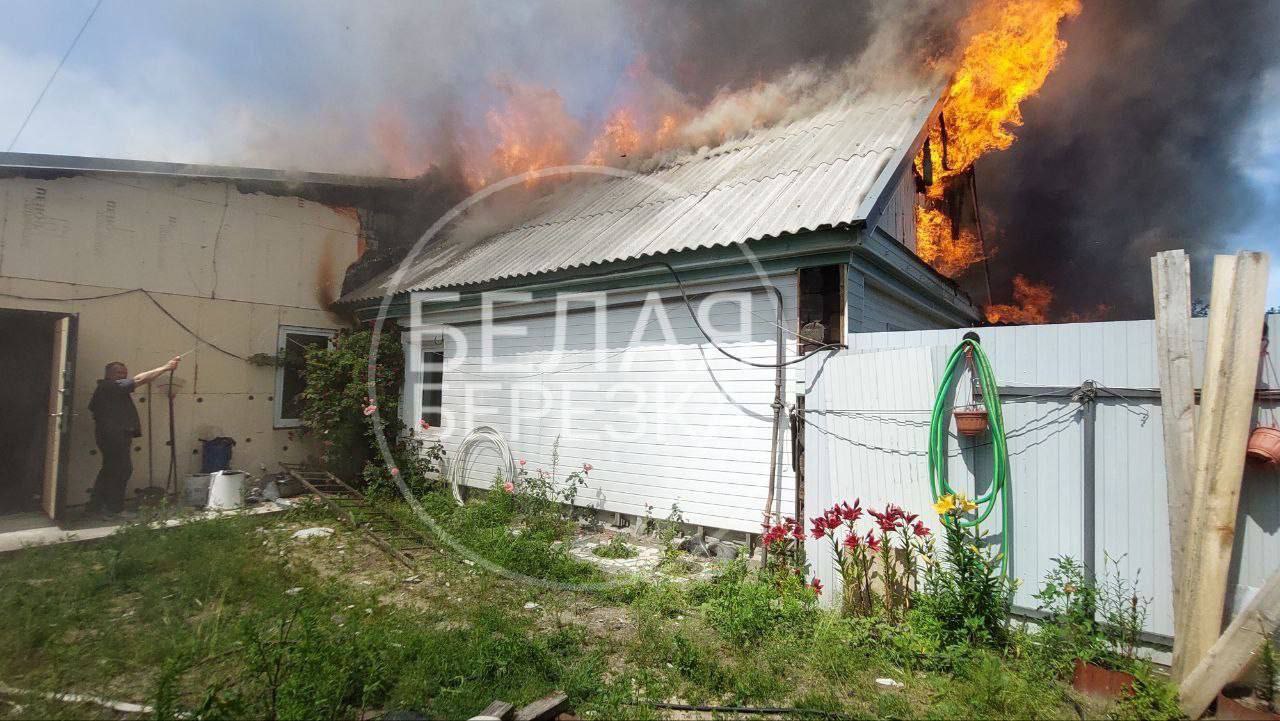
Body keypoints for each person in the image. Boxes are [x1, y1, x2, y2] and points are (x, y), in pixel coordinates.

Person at [87, 355, 181, 517]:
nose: (123, 376)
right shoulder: (109, 387)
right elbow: (139, 379)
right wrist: (165, 367)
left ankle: (96, 507)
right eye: (118, 373)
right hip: (113, 437)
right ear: (108, 374)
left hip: (113, 437)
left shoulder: (109, 388)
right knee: (121, 470)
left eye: (124, 373)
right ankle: (114, 509)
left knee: (110, 470)